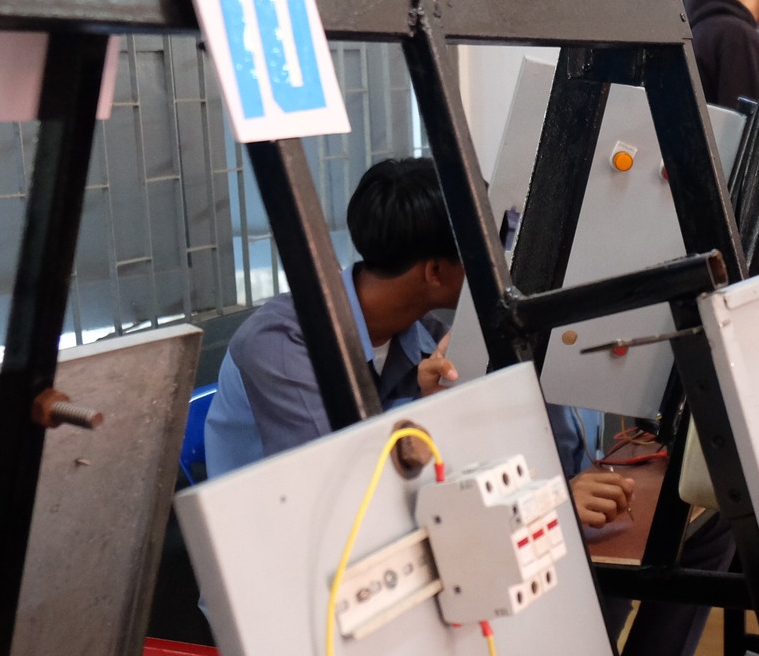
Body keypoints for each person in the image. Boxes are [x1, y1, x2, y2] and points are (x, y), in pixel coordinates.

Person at [204, 157, 634, 532]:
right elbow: (346, 490)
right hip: (290, 574)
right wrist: (435, 416)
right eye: (486, 251)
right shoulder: (281, 345)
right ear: (434, 272)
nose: (500, 266)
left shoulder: (424, 332)